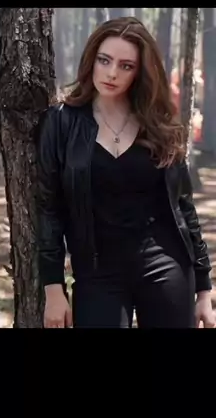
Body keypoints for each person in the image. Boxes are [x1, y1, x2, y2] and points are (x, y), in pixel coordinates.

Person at [36, 16, 215, 329]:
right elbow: (49, 208)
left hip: (165, 265)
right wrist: (53, 288)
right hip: (97, 272)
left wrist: (203, 288)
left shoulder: (157, 124)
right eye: (104, 60)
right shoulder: (62, 122)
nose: (112, 73)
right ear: (91, 60)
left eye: (126, 65)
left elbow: (183, 207)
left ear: (139, 71)